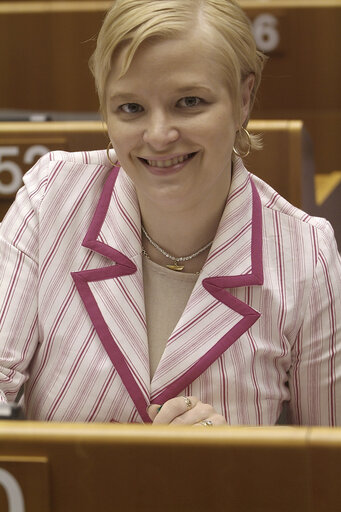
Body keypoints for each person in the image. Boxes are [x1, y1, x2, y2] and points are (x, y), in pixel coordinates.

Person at [0, 0, 340, 426]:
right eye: (131, 108)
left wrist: (241, 467)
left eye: (189, 102)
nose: (158, 136)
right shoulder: (51, 196)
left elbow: (328, 473)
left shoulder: (308, 254)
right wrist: (148, 464)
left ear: (244, 99)